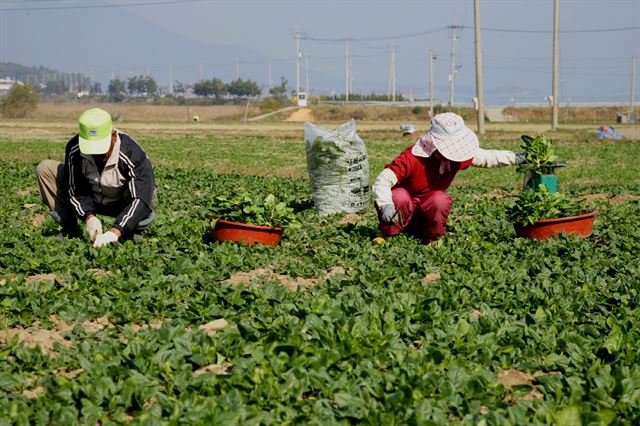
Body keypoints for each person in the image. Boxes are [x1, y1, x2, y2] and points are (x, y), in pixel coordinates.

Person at [372, 112, 524, 245]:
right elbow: (383, 179)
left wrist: (519, 158)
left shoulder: (456, 159)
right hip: (399, 213)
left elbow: (489, 157)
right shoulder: (412, 158)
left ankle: (431, 236)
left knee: (440, 199)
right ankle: (387, 233)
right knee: (399, 195)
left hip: (426, 214)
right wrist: (385, 205)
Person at [36, 108, 156, 247]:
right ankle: (70, 229)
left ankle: (130, 230)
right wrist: (89, 217)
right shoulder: (74, 148)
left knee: (148, 193)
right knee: (45, 169)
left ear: (113, 135)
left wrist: (116, 231)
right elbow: (74, 188)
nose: (97, 154)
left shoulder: (132, 152)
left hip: (121, 203)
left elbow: (141, 197)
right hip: (93, 197)